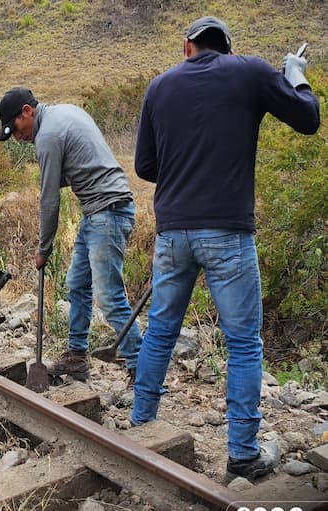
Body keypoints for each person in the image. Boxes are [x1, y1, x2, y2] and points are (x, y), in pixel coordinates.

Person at [131, 16, 320, 482]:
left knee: (159, 333)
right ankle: (242, 455)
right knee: (242, 344)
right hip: (229, 235)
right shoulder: (249, 71)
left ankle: (140, 429)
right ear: (228, 49)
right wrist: (294, 71)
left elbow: (145, 164)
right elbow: (308, 118)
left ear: (186, 47)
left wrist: (185, 171)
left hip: (173, 233)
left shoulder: (158, 87)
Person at [0, 87, 143, 383]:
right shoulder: (65, 112)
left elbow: (50, 200)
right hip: (99, 210)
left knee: (109, 297)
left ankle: (142, 367)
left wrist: (43, 249)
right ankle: (76, 357)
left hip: (108, 212)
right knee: (77, 283)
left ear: (28, 111)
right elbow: (79, 166)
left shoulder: (48, 135)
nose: (17, 136)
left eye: (16, 128)